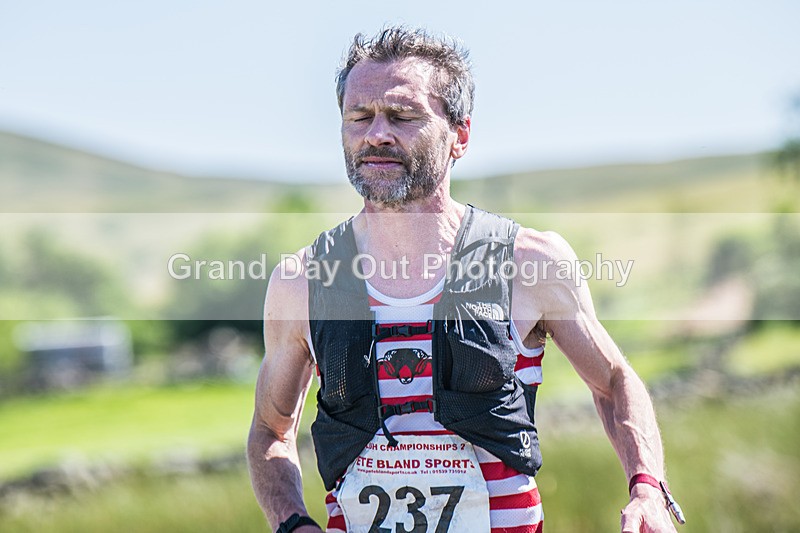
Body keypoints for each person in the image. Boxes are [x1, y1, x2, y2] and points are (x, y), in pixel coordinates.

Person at [247, 26, 683, 533]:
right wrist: (292, 522)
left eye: (403, 116)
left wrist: (647, 490)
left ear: (461, 136)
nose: (377, 134)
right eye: (359, 117)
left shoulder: (530, 262)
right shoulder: (301, 281)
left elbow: (613, 383)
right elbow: (270, 430)